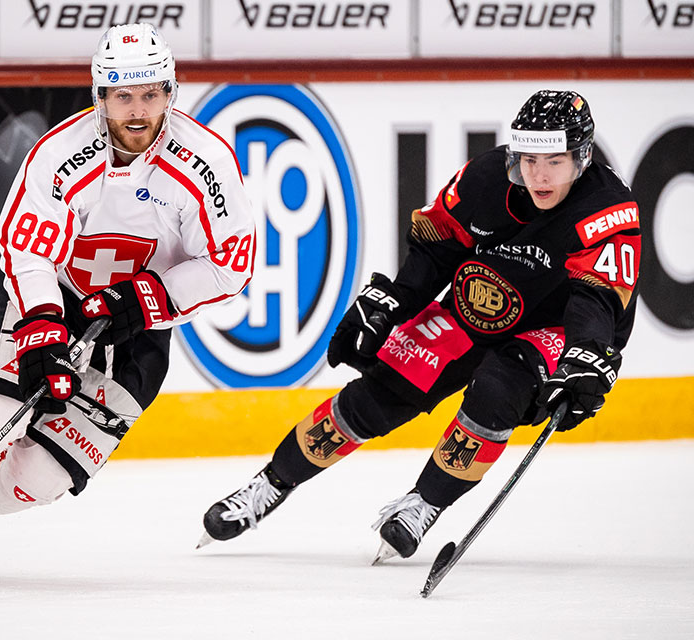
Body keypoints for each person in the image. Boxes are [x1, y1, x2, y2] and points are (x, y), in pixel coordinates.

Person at [0, 23, 255, 578]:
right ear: (100, 96)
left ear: (171, 93)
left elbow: (230, 262)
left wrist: (149, 297)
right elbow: (25, 255)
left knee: (44, 478)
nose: (138, 111)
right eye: (123, 95)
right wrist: (44, 326)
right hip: (47, 299)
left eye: (152, 93)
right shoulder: (60, 155)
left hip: (138, 326)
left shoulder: (206, 163)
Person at [200, 90, 640, 563]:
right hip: (477, 303)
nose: (538, 174)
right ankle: (270, 483)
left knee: (497, 389)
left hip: (556, 329)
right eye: (528, 158)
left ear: (582, 155)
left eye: (553, 159)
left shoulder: (608, 209)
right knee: (383, 390)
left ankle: (424, 504)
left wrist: (587, 355)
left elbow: (595, 300)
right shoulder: (485, 178)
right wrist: (393, 299)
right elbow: (435, 250)